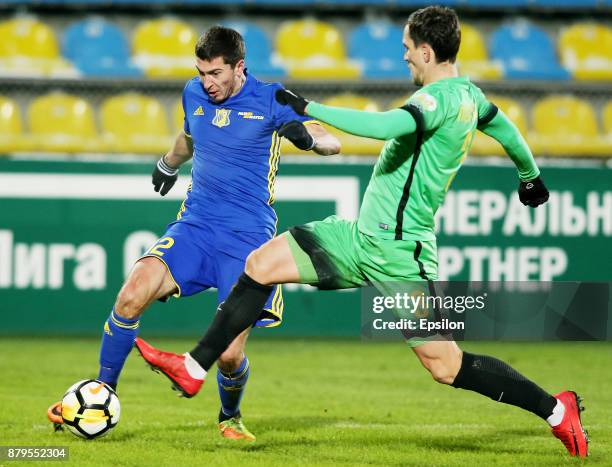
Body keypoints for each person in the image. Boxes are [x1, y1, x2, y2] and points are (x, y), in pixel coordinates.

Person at [132, 7, 588, 457]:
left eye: (408, 49)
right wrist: (529, 175)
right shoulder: (470, 96)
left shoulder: (436, 100)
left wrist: (307, 107)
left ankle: (555, 409)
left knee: (446, 366)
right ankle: (194, 366)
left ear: (427, 51)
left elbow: (383, 126)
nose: (405, 57)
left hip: (398, 253)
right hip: (358, 237)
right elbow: (502, 124)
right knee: (260, 264)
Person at [46, 25, 340, 441]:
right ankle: (101, 390)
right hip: (196, 226)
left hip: (247, 238)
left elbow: (334, 143)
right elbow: (190, 135)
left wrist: (306, 136)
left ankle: (229, 416)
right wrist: (168, 162)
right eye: (201, 72)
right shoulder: (194, 93)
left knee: (229, 355)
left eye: (216, 73)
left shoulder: (271, 97)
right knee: (132, 292)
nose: (208, 82)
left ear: (240, 67)